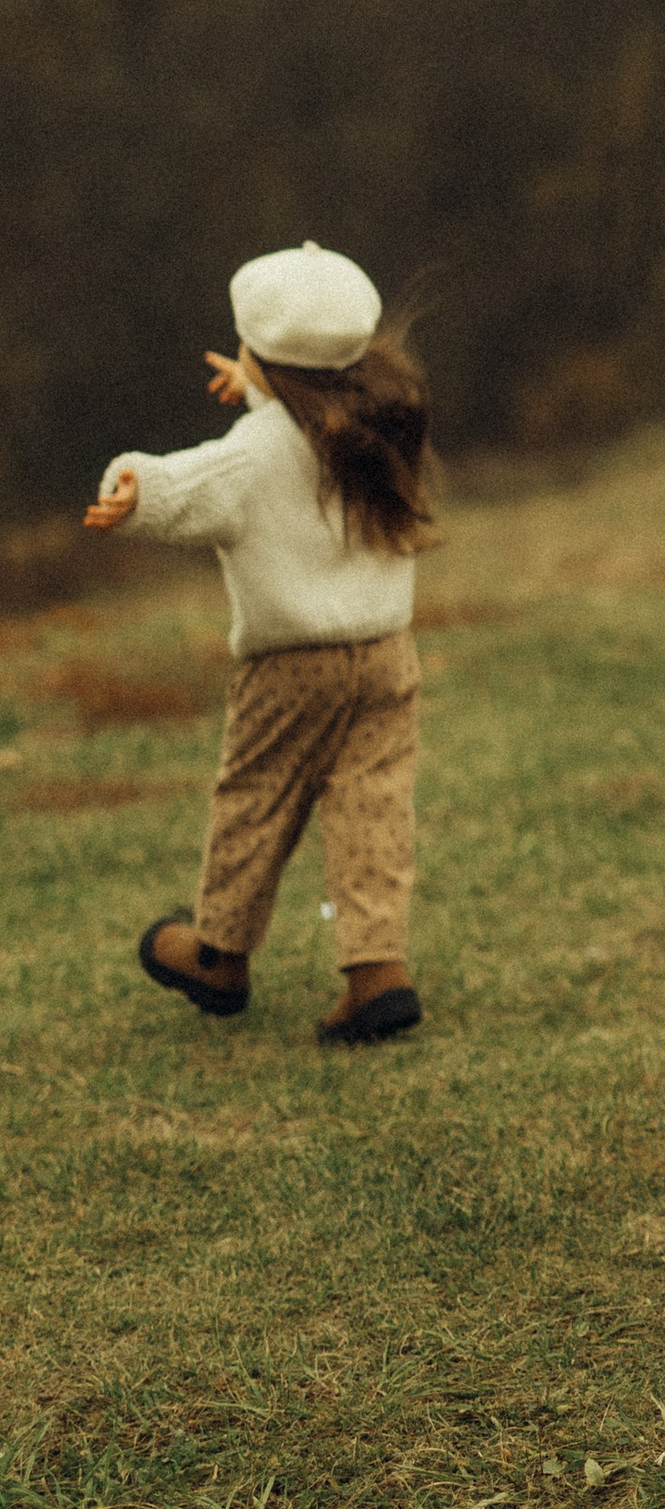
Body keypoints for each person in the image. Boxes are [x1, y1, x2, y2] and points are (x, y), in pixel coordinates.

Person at [91, 240, 437, 1051]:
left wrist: (131, 482)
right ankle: (376, 972)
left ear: (262, 354)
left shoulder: (254, 453)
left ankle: (219, 955)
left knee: (257, 797)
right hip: (387, 655)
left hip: (291, 665)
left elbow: (195, 485)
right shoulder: (384, 420)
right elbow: (298, 432)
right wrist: (260, 387)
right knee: (371, 805)